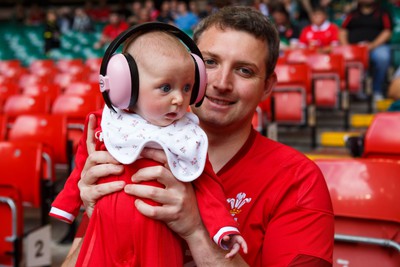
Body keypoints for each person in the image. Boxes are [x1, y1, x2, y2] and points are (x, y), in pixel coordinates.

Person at [62, 6, 334, 267]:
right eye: (210, 63)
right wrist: (99, 213)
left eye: (244, 71)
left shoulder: (298, 180)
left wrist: (195, 230)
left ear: (267, 87)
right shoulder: (126, 151)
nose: (221, 83)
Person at [52, 23, 247, 266]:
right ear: (126, 86)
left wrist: (222, 227)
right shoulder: (105, 124)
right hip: (103, 232)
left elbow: (208, 186)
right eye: (166, 87)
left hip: (157, 237)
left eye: (187, 87)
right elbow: (82, 168)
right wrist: (67, 206)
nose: (179, 98)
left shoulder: (186, 137)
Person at [339, 0, 393, 100]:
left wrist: (373, 45)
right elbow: (343, 30)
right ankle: (356, 90)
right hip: (354, 48)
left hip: (376, 47)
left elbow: (387, 31)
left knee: (383, 57)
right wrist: (347, 47)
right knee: (344, 58)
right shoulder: (353, 14)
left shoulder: (382, 13)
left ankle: (377, 90)